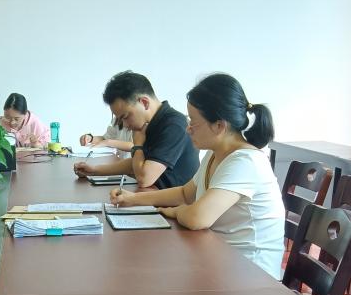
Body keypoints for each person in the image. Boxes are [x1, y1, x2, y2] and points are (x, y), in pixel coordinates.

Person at [110, 73, 285, 278]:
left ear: (219, 126)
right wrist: (133, 199)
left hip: (252, 276)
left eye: (193, 121)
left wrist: (176, 211)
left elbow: (197, 218)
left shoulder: (245, 162)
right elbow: (186, 193)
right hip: (220, 259)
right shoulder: (215, 154)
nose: (188, 129)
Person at [74, 71, 198, 189]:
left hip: (174, 202)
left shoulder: (174, 125)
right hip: (155, 194)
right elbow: (135, 164)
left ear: (144, 102)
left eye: (126, 117)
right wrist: (94, 170)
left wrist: (138, 145)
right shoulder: (152, 123)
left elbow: (144, 179)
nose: (125, 125)